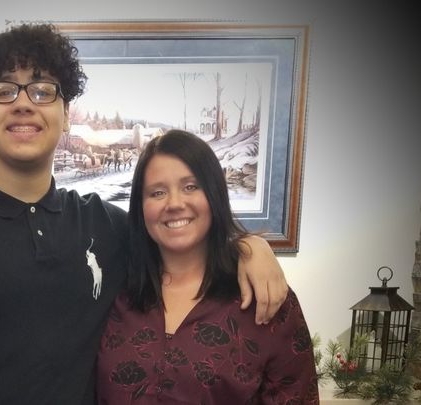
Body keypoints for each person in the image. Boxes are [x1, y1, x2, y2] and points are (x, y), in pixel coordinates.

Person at [0, 23, 289, 405]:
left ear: (66, 115)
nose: (23, 104)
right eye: (3, 90)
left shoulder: (110, 228)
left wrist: (249, 246)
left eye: (42, 90)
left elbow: (185, 244)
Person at [96, 129, 318, 404]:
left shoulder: (263, 296)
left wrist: (252, 244)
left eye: (191, 187)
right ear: (141, 207)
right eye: (157, 192)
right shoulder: (116, 289)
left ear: (214, 195)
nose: (174, 203)